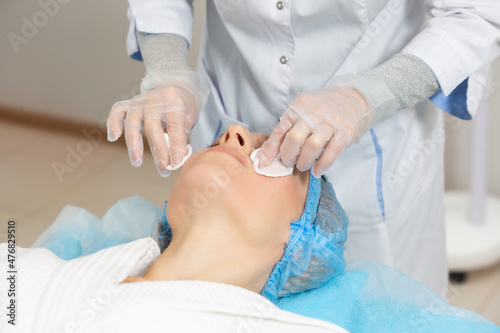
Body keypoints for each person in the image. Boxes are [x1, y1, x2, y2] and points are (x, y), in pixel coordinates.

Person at [106, 1, 500, 297]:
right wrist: (167, 69)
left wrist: (367, 96)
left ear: (296, 242)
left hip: (375, 157)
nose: (236, 135)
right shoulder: (69, 281)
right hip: (232, 87)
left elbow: (475, 16)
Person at [18, 125, 500, 332]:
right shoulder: (33, 272)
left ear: (300, 238)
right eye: (219, 138)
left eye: (275, 154)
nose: (232, 134)